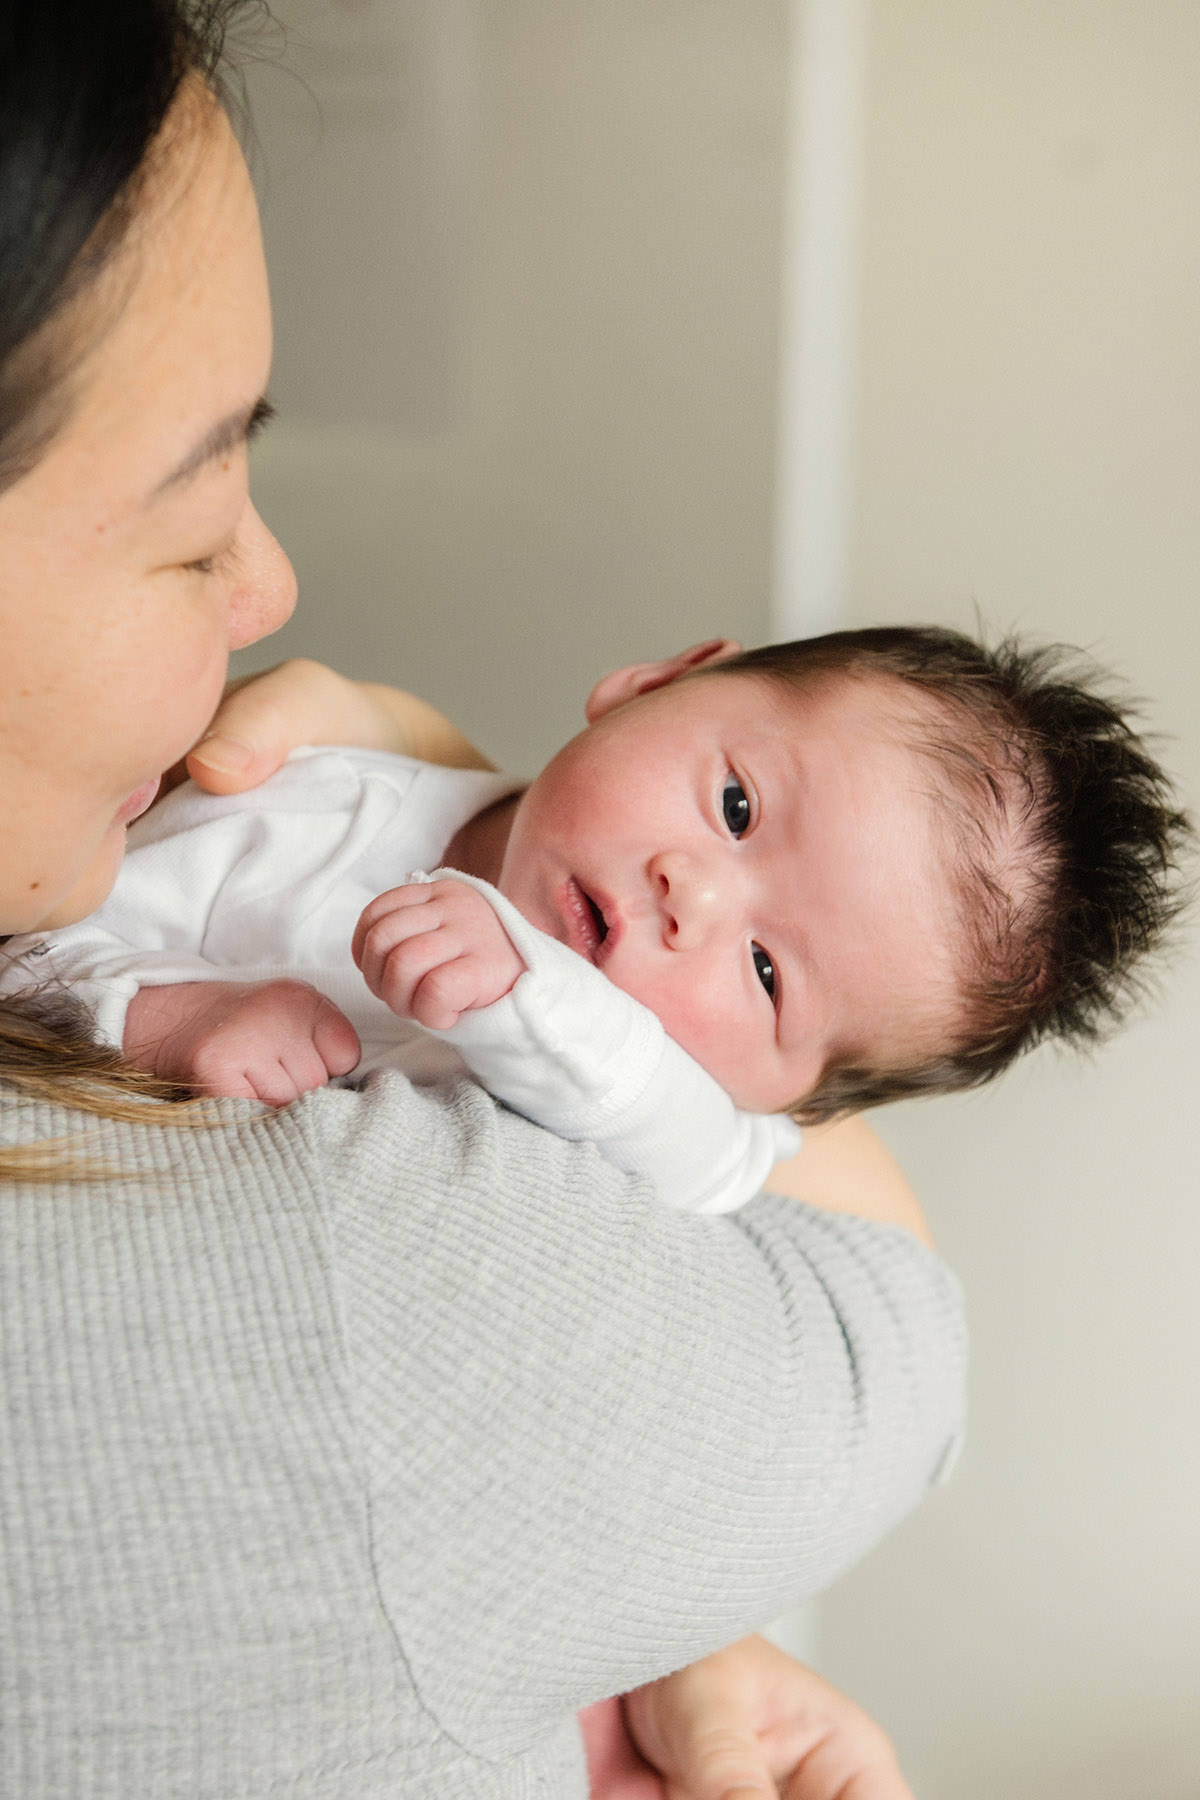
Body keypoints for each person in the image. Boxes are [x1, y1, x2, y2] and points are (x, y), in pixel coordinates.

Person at [0, 5, 970, 1795]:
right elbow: (878, 1315)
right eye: (195, 509)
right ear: (656, 676)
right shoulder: (382, 1291)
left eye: (768, 967)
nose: (277, 585)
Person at [8, 621, 1188, 1217]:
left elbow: (704, 1159)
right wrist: (163, 1019)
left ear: (794, 1100)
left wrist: (534, 997)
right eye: (736, 806)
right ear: (657, 681)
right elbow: (23, 951)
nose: (697, 898)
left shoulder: (681, 1118)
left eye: (771, 974)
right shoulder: (310, 797)